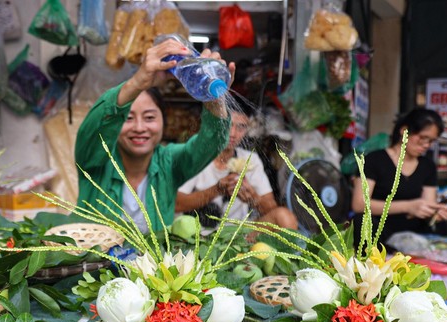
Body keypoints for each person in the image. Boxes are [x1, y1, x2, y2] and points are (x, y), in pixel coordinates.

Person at [75, 38, 235, 233]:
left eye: (149, 117)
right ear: (116, 122)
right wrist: (136, 83)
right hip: (94, 264)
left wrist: (213, 98)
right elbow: (94, 127)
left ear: (163, 122)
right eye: (128, 117)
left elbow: (211, 142)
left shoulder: (169, 163)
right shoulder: (96, 161)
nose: (140, 127)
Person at [175, 94, 298, 230]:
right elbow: (176, 204)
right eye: (228, 125)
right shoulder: (196, 155)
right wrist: (216, 190)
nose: (233, 133)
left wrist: (253, 198)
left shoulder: (249, 159)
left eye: (241, 127)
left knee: (283, 217)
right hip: (198, 238)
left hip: (238, 237)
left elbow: (271, 207)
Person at [351, 108, 447, 245]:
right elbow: (359, 204)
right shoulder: (374, 160)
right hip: (381, 231)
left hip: (416, 232)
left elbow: (427, 205)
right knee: (362, 222)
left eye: (431, 141)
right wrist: (409, 206)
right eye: (422, 138)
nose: (426, 145)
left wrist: (435, 213)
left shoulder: (427, 166)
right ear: (404, 131)